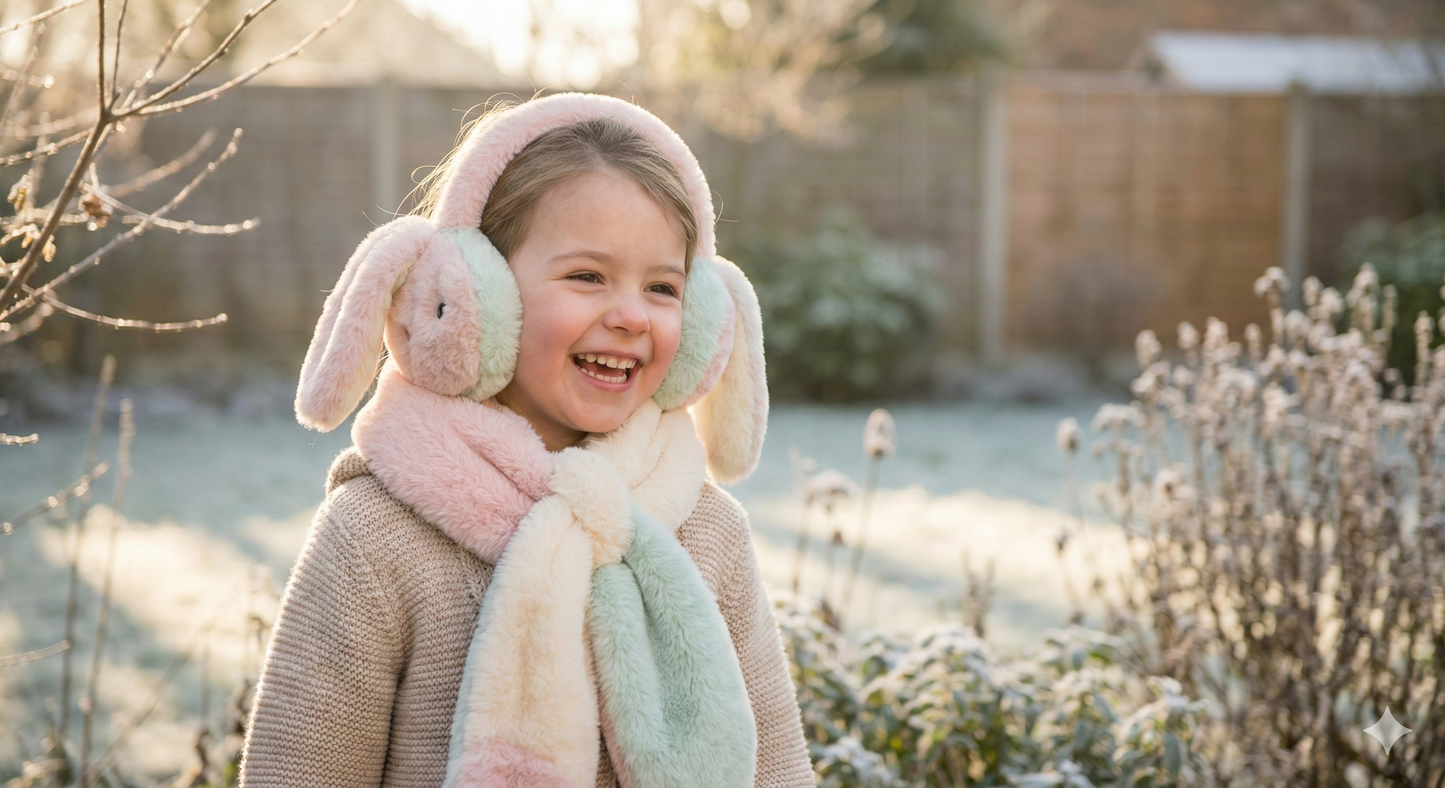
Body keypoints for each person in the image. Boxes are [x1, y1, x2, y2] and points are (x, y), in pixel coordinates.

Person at [238, 93, 816, 788]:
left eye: (662, 287)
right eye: (586, 276)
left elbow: (778, 771)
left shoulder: (709, 532)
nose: (631, 315)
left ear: (699, 324)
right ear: (471, 296)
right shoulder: (374, 540)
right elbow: (297, 771)